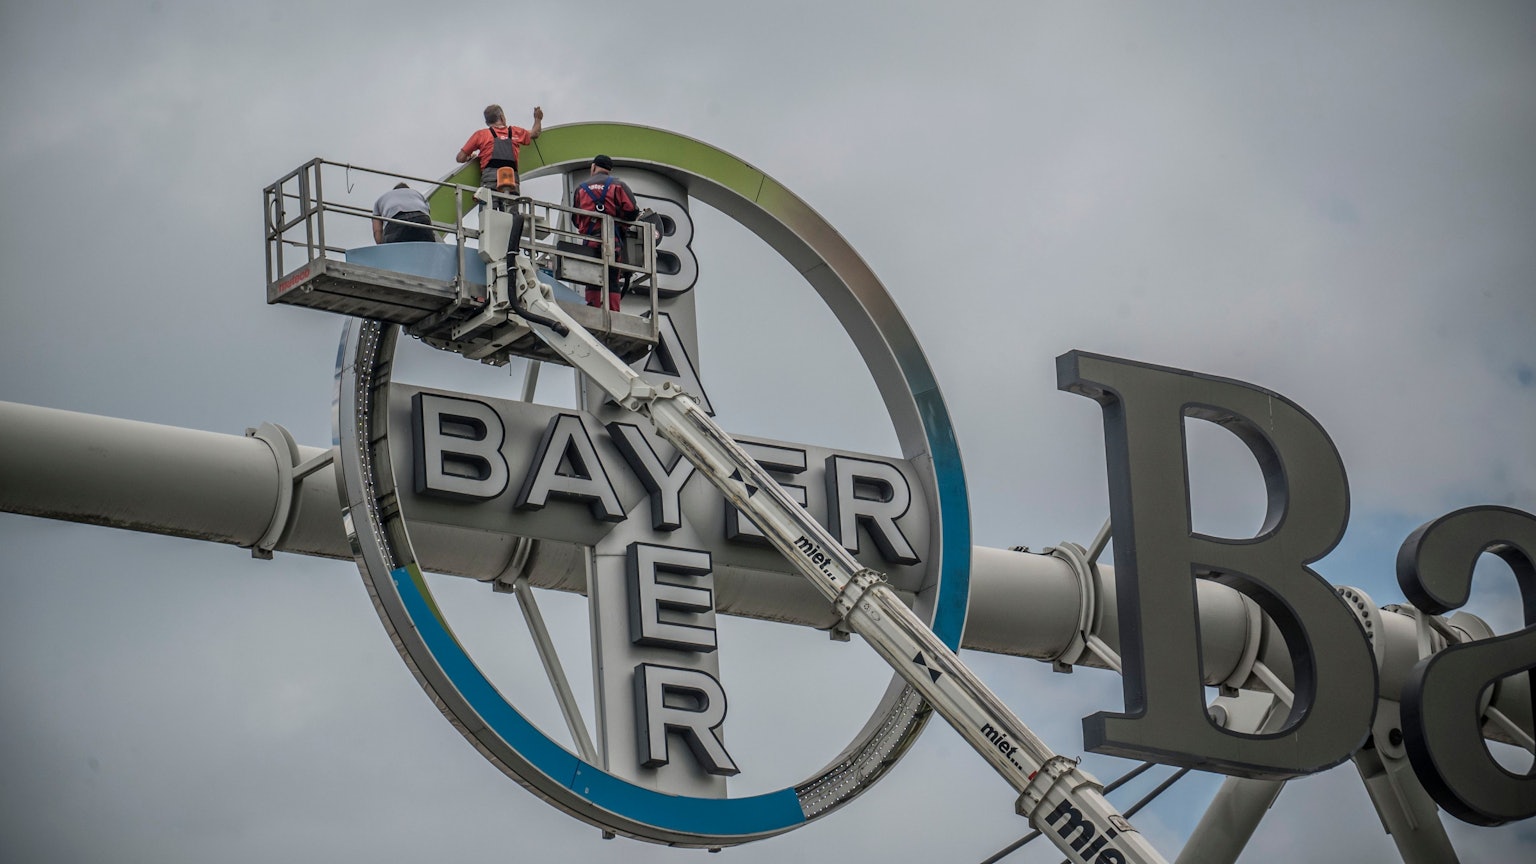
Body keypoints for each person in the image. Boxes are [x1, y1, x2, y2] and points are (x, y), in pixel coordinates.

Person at [570, 154, 640, 311]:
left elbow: (575, 219)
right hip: (611, 241)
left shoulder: (581, 189)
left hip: (589, 241)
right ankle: (614, 314)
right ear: (610, 170)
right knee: (612, 279)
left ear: (593, 167)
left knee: (592, 278)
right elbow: (632, 212)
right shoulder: (619, 185)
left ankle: (592, 311)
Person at [456, 104, 543, 204]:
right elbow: (535, 133)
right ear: (502, 117)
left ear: (487, 122)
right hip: (511, 180)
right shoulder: (514, 132)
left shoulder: (481, 135)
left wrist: (470, 157)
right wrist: (538, 118)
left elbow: (460, 158)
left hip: (490, 180)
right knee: (511, 214)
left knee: (488, 211)